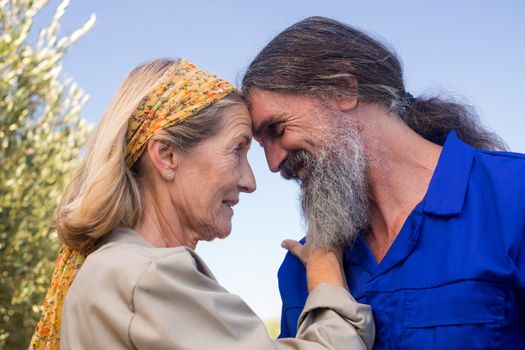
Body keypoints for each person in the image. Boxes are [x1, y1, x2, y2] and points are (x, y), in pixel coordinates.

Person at [28, 58, 374, 350]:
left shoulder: (111, 270)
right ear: (167, 156)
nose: (250, 181)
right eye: (237, 149)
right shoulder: (144, 277)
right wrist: (326, 270)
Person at [242, 16, 525, 349]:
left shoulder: (514, 194)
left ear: (343, 89)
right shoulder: (303, 267)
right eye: (260, 147)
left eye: (277, 130)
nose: (273, 164)